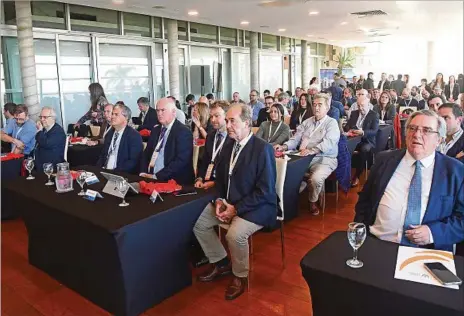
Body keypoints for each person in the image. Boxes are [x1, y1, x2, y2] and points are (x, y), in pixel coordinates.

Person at [193, 104, 277, 301]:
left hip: (257, 207)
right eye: (227, 120)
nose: (227, 125)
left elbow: (265, 191)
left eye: (232, 121)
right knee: (199, 223)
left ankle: (240, 276)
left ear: (247, 123)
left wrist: (236, 209)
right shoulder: (229, 145)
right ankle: (221, 262)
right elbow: (221, 180)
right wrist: (220, 200)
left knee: (234, 235)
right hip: (229, 201)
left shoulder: (262, 149)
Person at [354, 110, 464, 251]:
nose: (417, 134)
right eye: (412, 128)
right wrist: (361, 233)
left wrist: (433, 233)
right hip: (377, 244)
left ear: (439, 140)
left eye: (426, 130)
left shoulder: (455, 171)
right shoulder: (384, 160)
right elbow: (365, 200)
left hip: (427, 251)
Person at [275, 93, 340, 215]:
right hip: (303, 157)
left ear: (327, 107)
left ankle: (312, 201)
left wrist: (312, 150)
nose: (316, 108)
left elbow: (328, 143)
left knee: (315, 179)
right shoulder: (307, 122)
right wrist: (284, 146)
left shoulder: (332, 123)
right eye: (314, 105)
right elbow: (296, 138)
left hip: (324, 158)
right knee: (284, 169)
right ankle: (287, 202)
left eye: (320, 105)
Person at [140, 98, 194, 184]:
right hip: (150, 178)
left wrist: (156, 176)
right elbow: (146, 154)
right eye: (157, 111)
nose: (159, 114)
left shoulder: (183, 132)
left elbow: (181, 161)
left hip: (173, 180)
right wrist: (143, 173)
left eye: (163, 110)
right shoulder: (155, 130)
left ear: (173, 112)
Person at [195, 101, 233, 190]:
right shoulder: (211, 135)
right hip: (207, 181)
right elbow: (205, 160)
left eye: (217, 116)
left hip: (224, 185)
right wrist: (200, 178)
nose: (212, 120)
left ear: (226, 116)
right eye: (211, 116)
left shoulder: (232, 139)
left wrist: (215, 183)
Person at [96, 104, 143, 174]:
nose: (112, 117)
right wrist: (97, 170)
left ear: (126, 117)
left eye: (116, 114)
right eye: (112, 114)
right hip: (105, 171)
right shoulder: (109, 134)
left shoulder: (134, 136)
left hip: (122, 174)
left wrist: (114, 172)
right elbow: (103, 155)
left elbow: (133, 162)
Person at [344, 96, 379, 187]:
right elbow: (347, 126)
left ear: (368, 105)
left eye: (362, 106)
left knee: (363, 149)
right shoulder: (354, 113)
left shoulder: (374, 115)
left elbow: (374, 131)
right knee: (342, 147)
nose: (360, 108)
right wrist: (349, 130)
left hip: (367, 140)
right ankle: (343, 173)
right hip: (353, 139)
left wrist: (363, 132)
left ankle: (357, 175)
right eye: (359, 106)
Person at [35, 107, 67, 171]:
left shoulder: (58, 131)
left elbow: (47, 144)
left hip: (52, 166)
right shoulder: (45, 129)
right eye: (40, 117)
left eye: (45, 117)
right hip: (41, 164)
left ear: (53, 118)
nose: (42, 119)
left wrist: (39, 131)